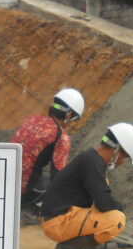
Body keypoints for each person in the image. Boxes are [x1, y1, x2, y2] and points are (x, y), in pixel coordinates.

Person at [40, 122, 133, 249]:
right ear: (117, 151)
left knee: (104, 189)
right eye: (125, 159)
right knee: (116, 220)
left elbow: (99, 199)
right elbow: (104, 203)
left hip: (59, 216)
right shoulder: (92, 163)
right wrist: (120, 208)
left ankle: (88, 245)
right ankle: (69, 248)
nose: (121, 163)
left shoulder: (91, 159)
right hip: (57, 222)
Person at [9, 88, 85, 224]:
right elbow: (58, 177)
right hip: (21, 192)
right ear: (69, 115)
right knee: (67, 184)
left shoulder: (33, 119)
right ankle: (30, 210)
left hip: (3, 181)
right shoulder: (61, 137)